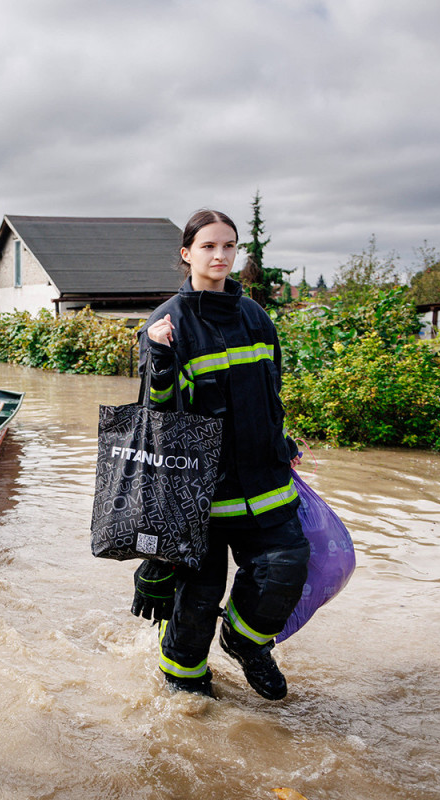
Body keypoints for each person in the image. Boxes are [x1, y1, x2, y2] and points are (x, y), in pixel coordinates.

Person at [132, 209, 308, 701]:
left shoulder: (255, 316)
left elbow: (270, 393)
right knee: (197, 599)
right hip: (199, 494)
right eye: (209, 246)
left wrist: (282, 441)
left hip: (264, 479)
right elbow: (155, 419)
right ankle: (186, 697)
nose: (221, 255)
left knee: (288, 566)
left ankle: (246, 644)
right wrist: (161, 357)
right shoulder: (166, 324)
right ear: (187, 254)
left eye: (229, 246)